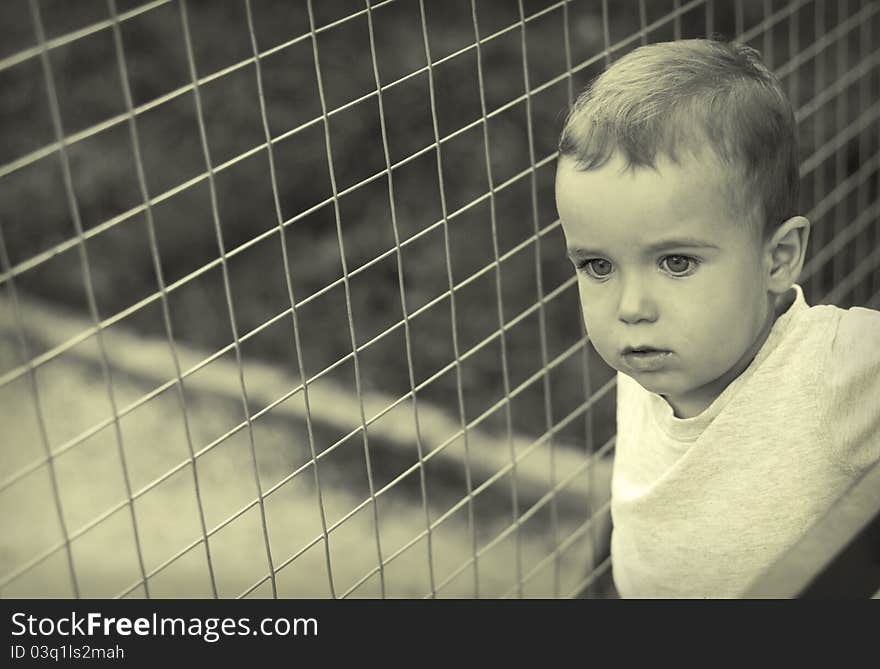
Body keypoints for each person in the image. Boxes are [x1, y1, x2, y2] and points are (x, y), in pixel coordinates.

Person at [554, 38, 880, 598]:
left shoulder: (832, 368)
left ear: (779, 257)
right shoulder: (655, 355)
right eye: (598, 265)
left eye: (676, 262)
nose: (631, 307)